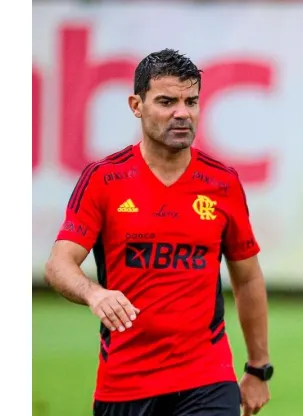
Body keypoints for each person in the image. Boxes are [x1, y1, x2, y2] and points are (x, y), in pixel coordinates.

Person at [44, 49, 273, 416]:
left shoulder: (222, 183)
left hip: (207, 379)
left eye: (191, 101)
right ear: (136, 105)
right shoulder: (104, 180)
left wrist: (259, 368)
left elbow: (247, 278)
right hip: (124, 384)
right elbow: (59, 263)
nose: (182, 112)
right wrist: (94, 293)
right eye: (167, 101)